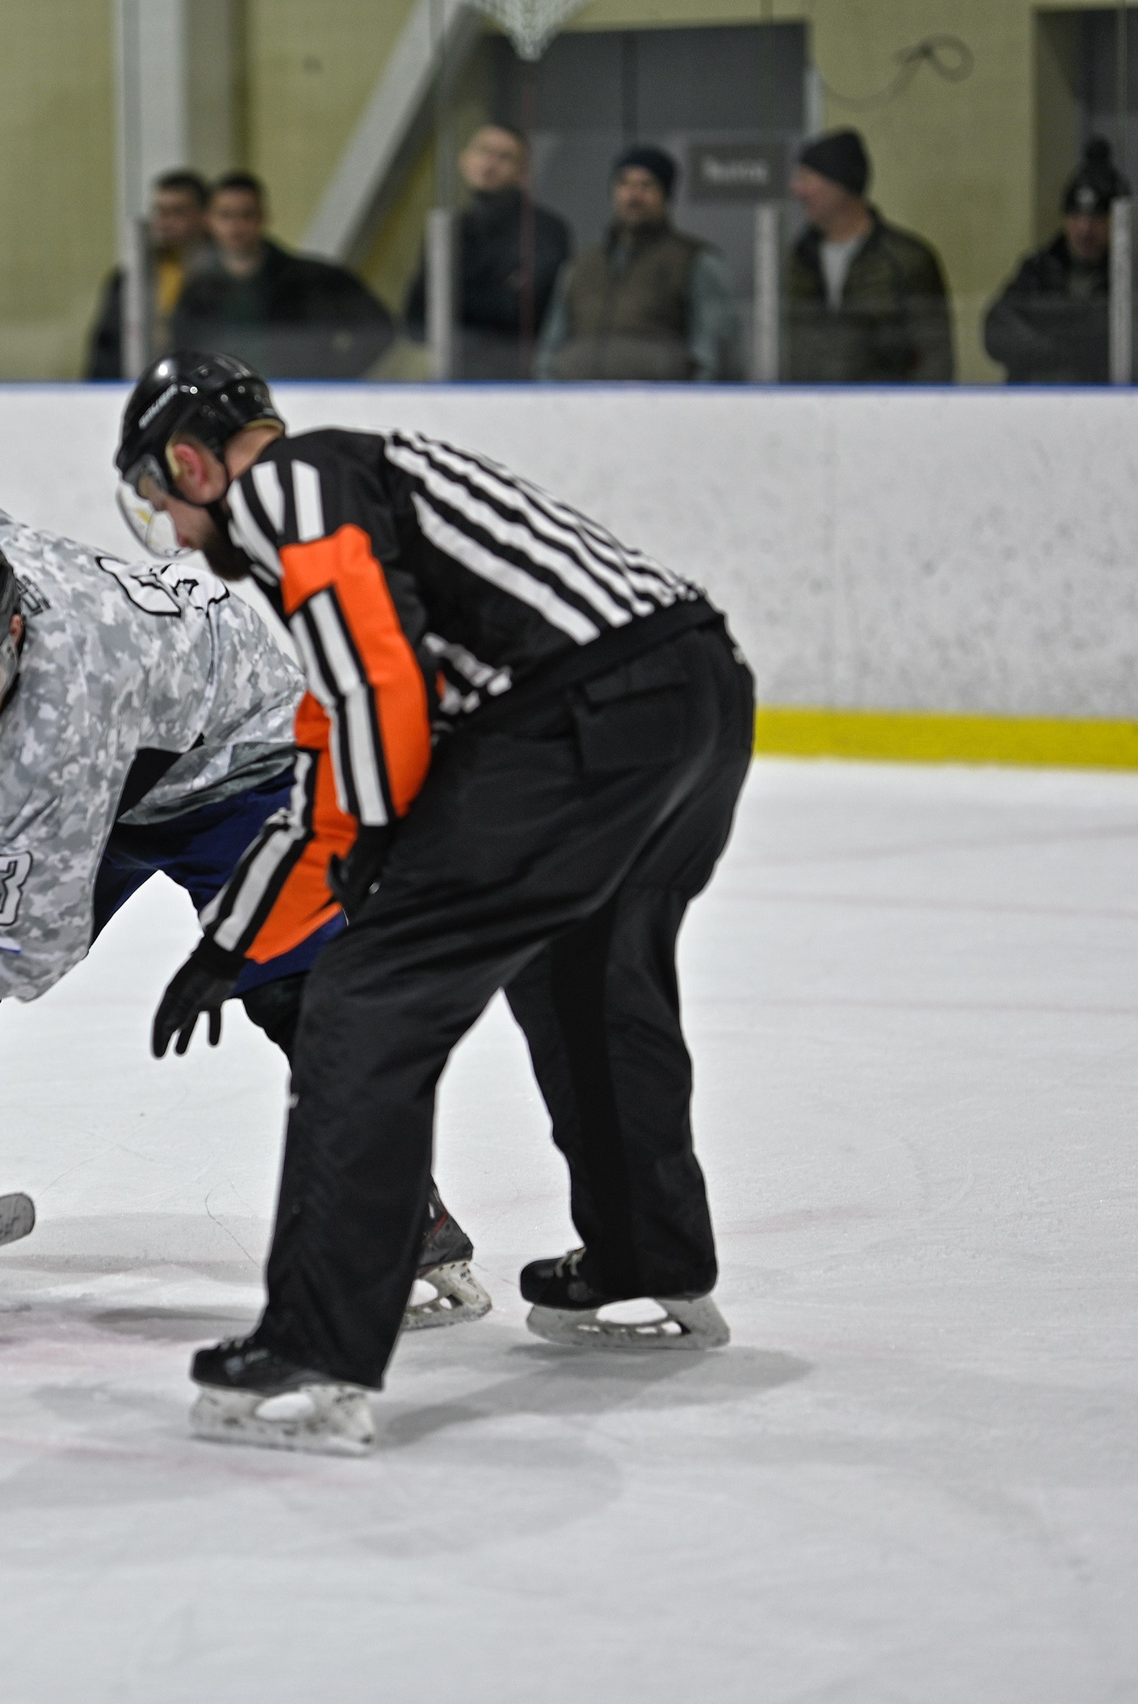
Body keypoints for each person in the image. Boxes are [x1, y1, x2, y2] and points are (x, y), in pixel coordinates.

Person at [115, 351, 752, 1455]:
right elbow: (331, 758)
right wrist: (232, 943)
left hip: (572, 718)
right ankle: (648, 1265)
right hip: (696, 699)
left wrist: (373, 843)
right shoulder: (360, 510)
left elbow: (378, 684)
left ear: (190, 462)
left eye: (159, 503)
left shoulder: (287, 486)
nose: (171, 537)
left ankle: (316, 1344)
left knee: (361, 1006)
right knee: (586, 973)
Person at [0, 474, 489, 1331]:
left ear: (15, 630)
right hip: (137, 729)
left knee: (298, 992)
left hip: (241, 765)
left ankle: (408, 1214)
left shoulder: (57, 723)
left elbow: (28, 942)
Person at [536, 144, 737, 382]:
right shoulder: (581, 264)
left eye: (646, 185)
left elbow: (712, 346)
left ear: (666, 196)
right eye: (625, 184)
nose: (634, 195)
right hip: (578, 401)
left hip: (660, 404)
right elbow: (551, 344)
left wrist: (697, 399)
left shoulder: (694, 259)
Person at [984, 141, 1138, 386]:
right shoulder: (1041, 268)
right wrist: (1052, 349)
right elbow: (996, 329)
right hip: (1036, 402)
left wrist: (1049, 332)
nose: (1084, 229)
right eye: (1075, 216)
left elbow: (1112, 346)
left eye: (1097, 218)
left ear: (1118, 222)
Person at [170, 172, 394, 379]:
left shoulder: (311, 280)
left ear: (262, 216)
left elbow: (379, 328)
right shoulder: (197, 292)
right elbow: (183, 350)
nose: (236, 226)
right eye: (226, 215)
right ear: (209, 220)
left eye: (247, 215)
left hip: (300, 398)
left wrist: (330, 377)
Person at [402, 124, 573, 381]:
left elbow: (520, 310)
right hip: (447, 368)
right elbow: (417, 310)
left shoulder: (542, 230)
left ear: (522, 172)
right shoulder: (449, 229)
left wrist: (453, 296)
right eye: (483, 151)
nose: (489, 164)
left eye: (504, 157)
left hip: (515, 374)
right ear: (465, 160)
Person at [783, 130, 953, 384]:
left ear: (838, 184)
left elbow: (935, 354)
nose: (797, 190)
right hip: (809, 411)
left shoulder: (906, 260)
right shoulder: (798, 259)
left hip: (884, 412)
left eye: (807, 178)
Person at [85, 169, 214, 379]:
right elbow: (106, 347)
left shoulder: (220, 275)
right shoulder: (129, 278)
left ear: (204, 216)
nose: (164, 220)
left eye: (177, 211)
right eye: (159, 210)